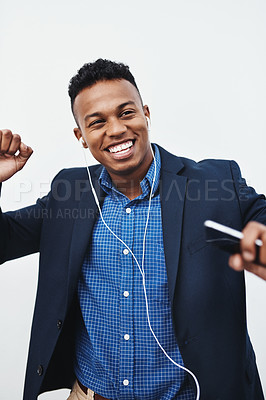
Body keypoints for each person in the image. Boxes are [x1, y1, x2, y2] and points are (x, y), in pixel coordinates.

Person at [0, 59, 265, 400]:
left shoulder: (214, 183)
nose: (115, 129)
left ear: (146, 113)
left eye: (126, 113)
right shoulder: (70, 194)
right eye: (97, 122)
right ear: (81, 136)